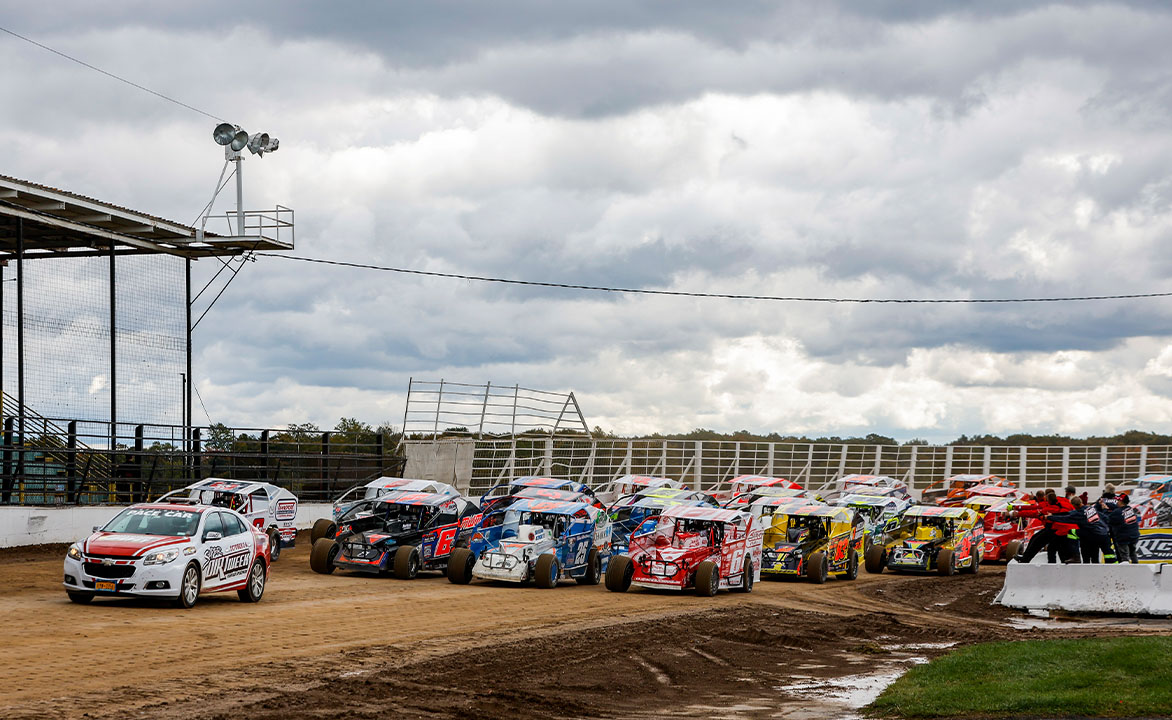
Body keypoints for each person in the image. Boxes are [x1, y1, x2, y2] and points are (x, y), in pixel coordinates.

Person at [1108, 494, 1141, 563]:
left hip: (1123, 537)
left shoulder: (1117, 512)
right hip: (1134, 535)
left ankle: (1125, 571)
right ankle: (1137, 568)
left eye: (1117, 501)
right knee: (1133, 553)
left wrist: (1105, 509)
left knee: (1124, 556)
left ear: (1121, 502)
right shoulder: (1130, 509)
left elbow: (1109, 520)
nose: (1116, 502)